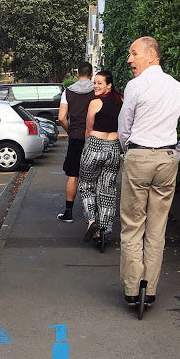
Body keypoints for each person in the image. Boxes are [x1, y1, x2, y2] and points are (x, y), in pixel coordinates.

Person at [118, 36, 180, 306]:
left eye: (134, 53)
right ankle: (149, 290)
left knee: (132, 226)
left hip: (139, 155)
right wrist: (176, 154)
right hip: (166, 158)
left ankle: (132, 290)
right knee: (156, 228)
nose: (130, 59)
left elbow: (124, 127)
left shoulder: (135, 86)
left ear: (151, 56)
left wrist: (129, 150)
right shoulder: (177, 87)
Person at [78, 71, 123, 242]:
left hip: (95, 145)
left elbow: (88, 130)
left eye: (99, 83)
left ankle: (91, 222)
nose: (95, 86)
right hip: (113, 147)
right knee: (107, 189)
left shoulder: (95, 103)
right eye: (94, 83)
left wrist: (86, 149)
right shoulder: (122, 101)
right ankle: (103, 230)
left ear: (109, 85)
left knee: (86, 185)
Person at [57, 61, 95, 222]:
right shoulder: (97, 90)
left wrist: (70, 130)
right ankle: (93, 215)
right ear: (92, 74)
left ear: (77, 74)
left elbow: (61, 117)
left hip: (76, 137)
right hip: (95, 137)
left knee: (73, 175)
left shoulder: (68, 92)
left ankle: (68, 212)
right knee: (95, 176)